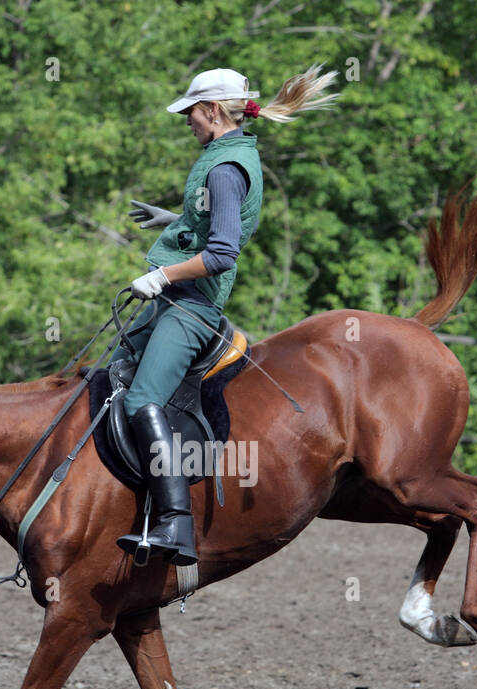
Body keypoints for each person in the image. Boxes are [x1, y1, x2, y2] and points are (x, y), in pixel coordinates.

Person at [115, 64, 338, 566]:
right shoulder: (224, 156)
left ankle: (175, 523)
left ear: (213, 111)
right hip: (179, 295)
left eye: (190, 112)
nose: (187, 121)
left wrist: (162, 276)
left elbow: (221, 254)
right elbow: (213, 226)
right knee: (109, 380)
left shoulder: (224, 167)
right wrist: (173, 221)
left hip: (191, 304)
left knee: (141, 400)